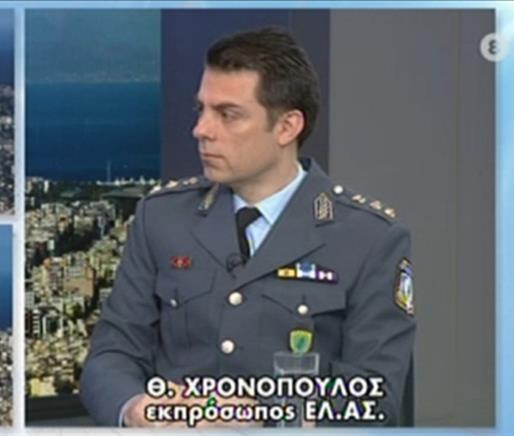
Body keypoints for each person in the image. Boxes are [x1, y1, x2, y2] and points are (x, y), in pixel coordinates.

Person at [80, 27, 415, 428]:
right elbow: (111, 355)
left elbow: (374, 397)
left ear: (287, 127)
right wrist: (137, 410)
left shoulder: (369, 238)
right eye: (201, 110)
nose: (201, 129)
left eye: (227, 114)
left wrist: (260, 416)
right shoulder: (162, 218)